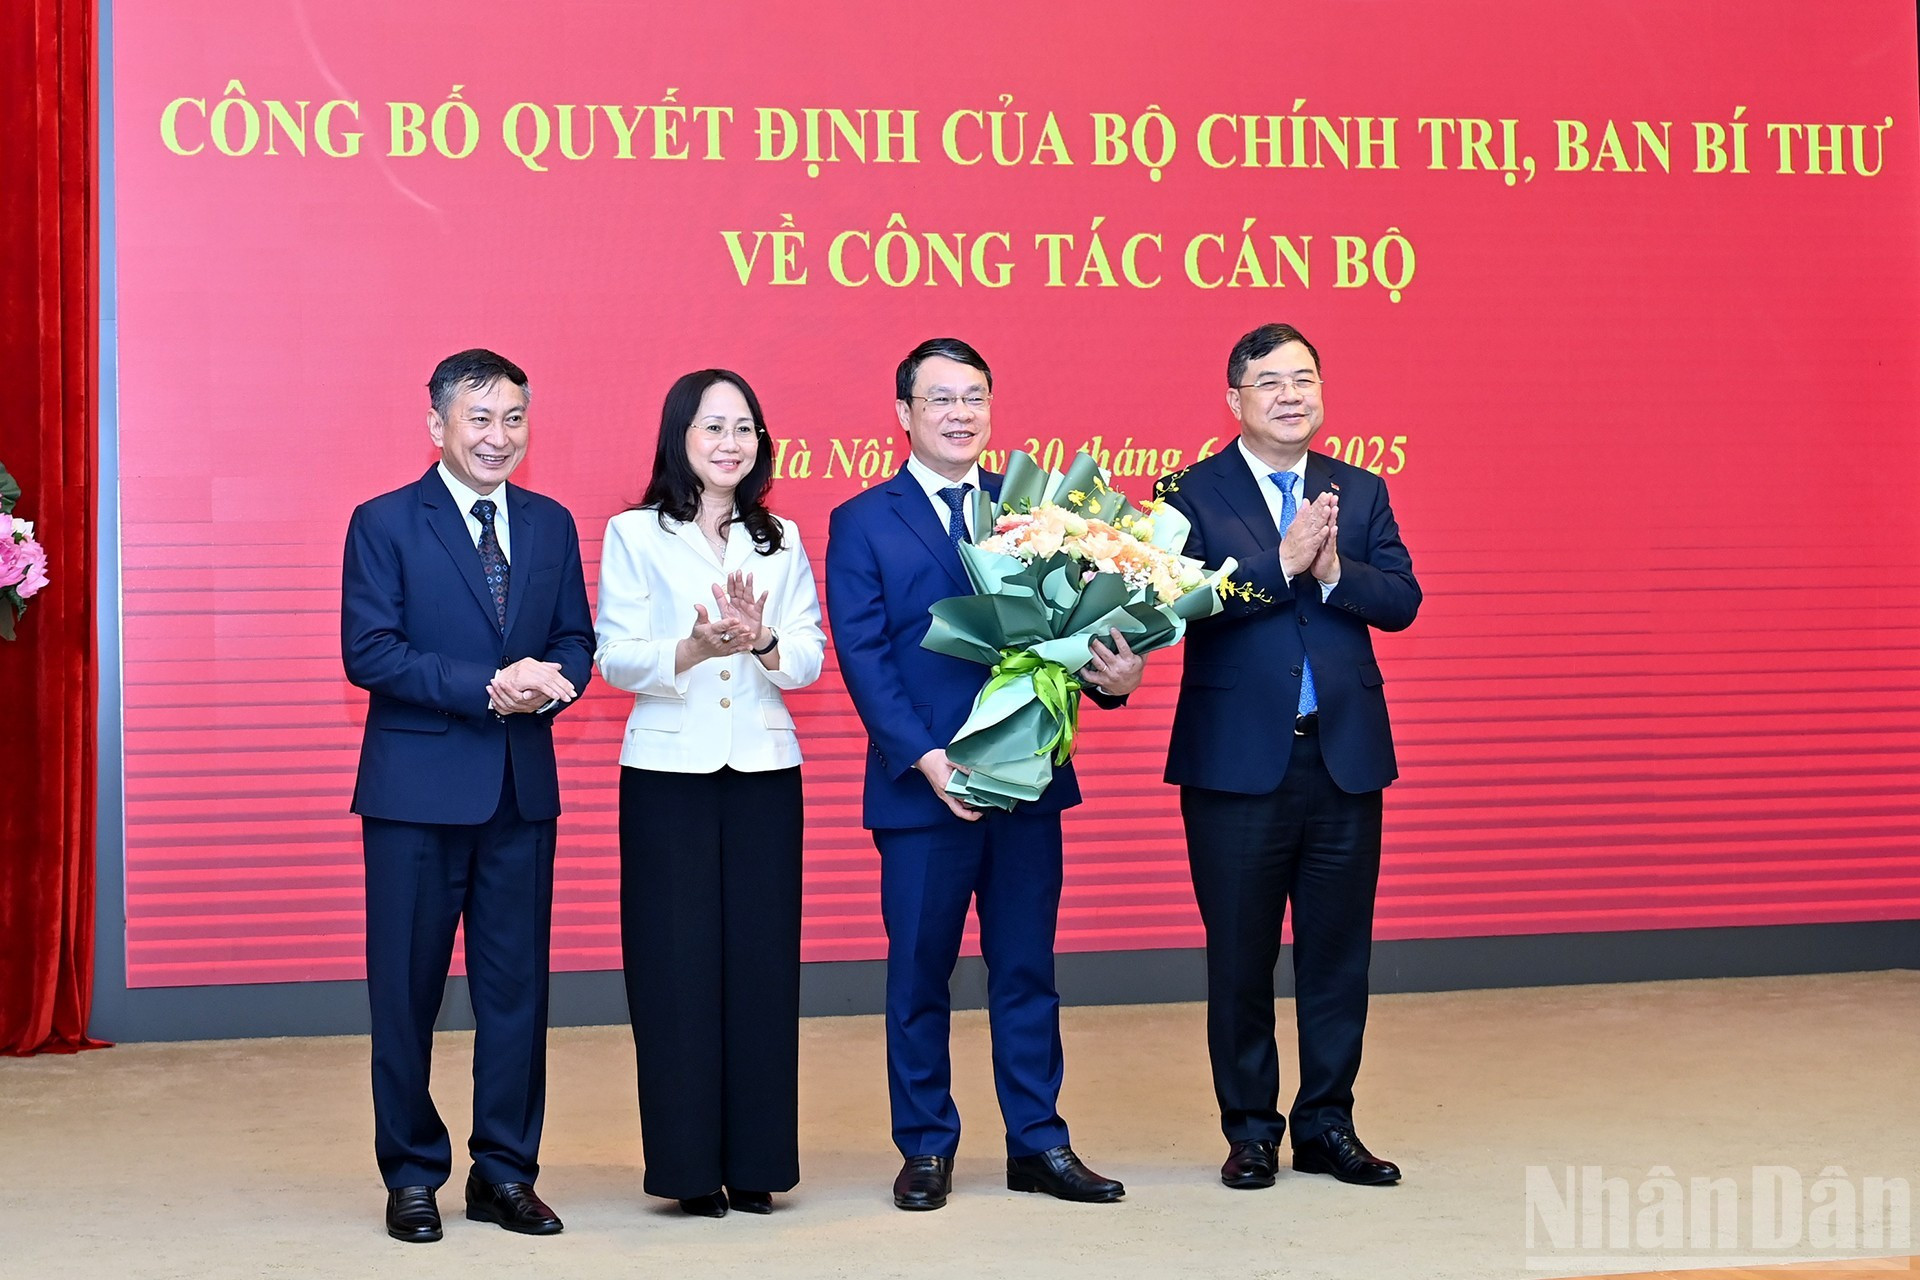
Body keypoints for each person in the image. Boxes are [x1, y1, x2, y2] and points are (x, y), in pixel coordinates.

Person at [824, 337, 1145, 1212]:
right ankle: (926, 1146)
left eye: (975, 398)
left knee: (1026, 971)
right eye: (941, 399)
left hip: (1030, 783)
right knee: (919, 974)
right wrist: (929, 762)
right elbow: (862, 656)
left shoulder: (1036, 510)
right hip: (922, 788)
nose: (960, 414)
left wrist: (1113, 678)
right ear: (904, 415)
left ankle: (1038, 1141)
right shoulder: (863, 519)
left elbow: (1075, 632)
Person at [1155, 322, 1421, 1191]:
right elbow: (1183, 604)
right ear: (1234, 399)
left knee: (1338, 955)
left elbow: (1403, 600)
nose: (1290, 395)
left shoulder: (1361, 488)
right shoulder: (1189, 491)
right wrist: (1282, 562)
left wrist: (1337, 569)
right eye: (1268, 382)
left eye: (1303, 378)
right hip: (1235, 766)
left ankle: (1329, 1125)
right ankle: (1250, 1130)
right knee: (1239, 956)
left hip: (1342, 758)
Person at [341, 348, 594, 1242]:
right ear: (437, 425)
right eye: (480, 419)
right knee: (405, 993)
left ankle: (504, 1172)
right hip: (415, 796)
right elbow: (367, 652)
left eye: (514, 418)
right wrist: (486, 685)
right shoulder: (384, 522)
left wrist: (553, 682)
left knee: (516, 994)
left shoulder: (552, 523)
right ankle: (411, 1172)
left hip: (521, 795)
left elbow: (575, 641)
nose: (499, 437)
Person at [594, 369, 825, 1218]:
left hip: (764, 774)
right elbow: (613, 657)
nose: (730, 442)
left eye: (744, 428)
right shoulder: (635, 533)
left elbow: (808, 658)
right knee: (675, 970)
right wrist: (691, 647)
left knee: (761, 970)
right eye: (712, 427)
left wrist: (762, 639)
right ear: (678, 437)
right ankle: (689, 1169)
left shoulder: (782, 538)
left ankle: (758, 1162)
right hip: (667, 777)